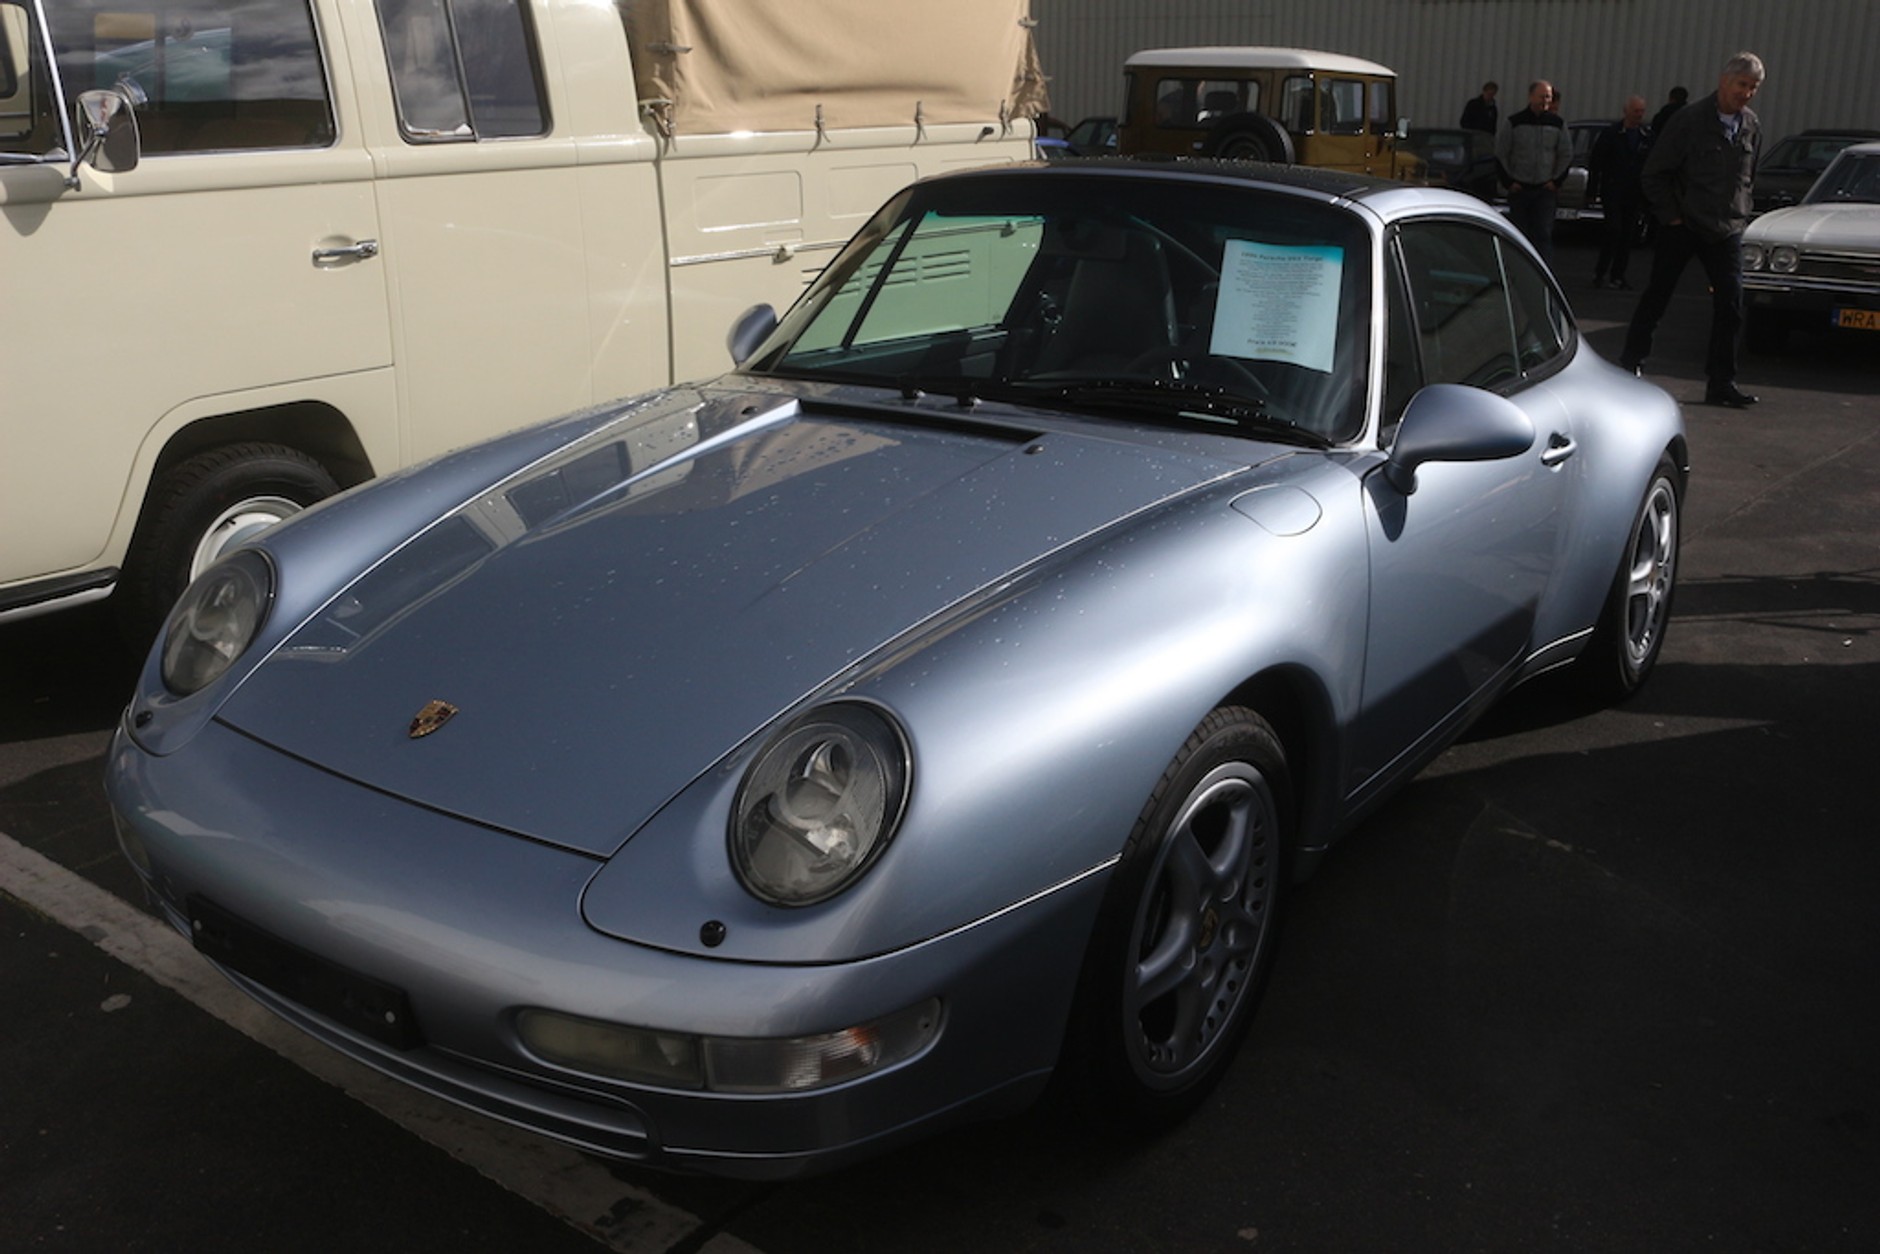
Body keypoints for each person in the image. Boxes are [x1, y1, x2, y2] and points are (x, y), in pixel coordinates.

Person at [1621, 53, 1765, 407]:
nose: (1745, 93)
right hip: (1684, 224)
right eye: (1740, 85)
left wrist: (1741, 215)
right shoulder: (1689, 120)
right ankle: (1629, 368)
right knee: (1658, 296)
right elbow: (1654, 173)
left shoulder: (1750, 125)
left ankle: (1721, 383)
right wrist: (1671, 217)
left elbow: (1748, 177)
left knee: (1730, 304)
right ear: (1723, 81)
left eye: (1752, 88)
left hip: (1726, 227)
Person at [1496, 80, 1572, 263]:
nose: (1545, 101)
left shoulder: (1557, 124)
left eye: (1548, 97)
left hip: (1544, 191)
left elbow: (1566, 154)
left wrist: (1556, 181)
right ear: (1531, 97)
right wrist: (1509, 182)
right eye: (1542, 96)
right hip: (1520, 189)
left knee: (1543, 234)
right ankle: (1517, 270)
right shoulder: (1514, 122)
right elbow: (1501, 153)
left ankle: (1543, 273)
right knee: (1519, 235)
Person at [1588, 95, 1652, 289]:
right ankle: (1601, 272)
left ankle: (1618, 275)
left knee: (1627, 235)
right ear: (1626, 111)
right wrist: (1593, 189)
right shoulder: (1611, 134)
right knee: (1613, 230)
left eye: (1641, 111)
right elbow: (1596, 161)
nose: (1639, 115)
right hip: (1613, 190)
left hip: (1634, 193)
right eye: (1635, 111)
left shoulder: (1646, 137)